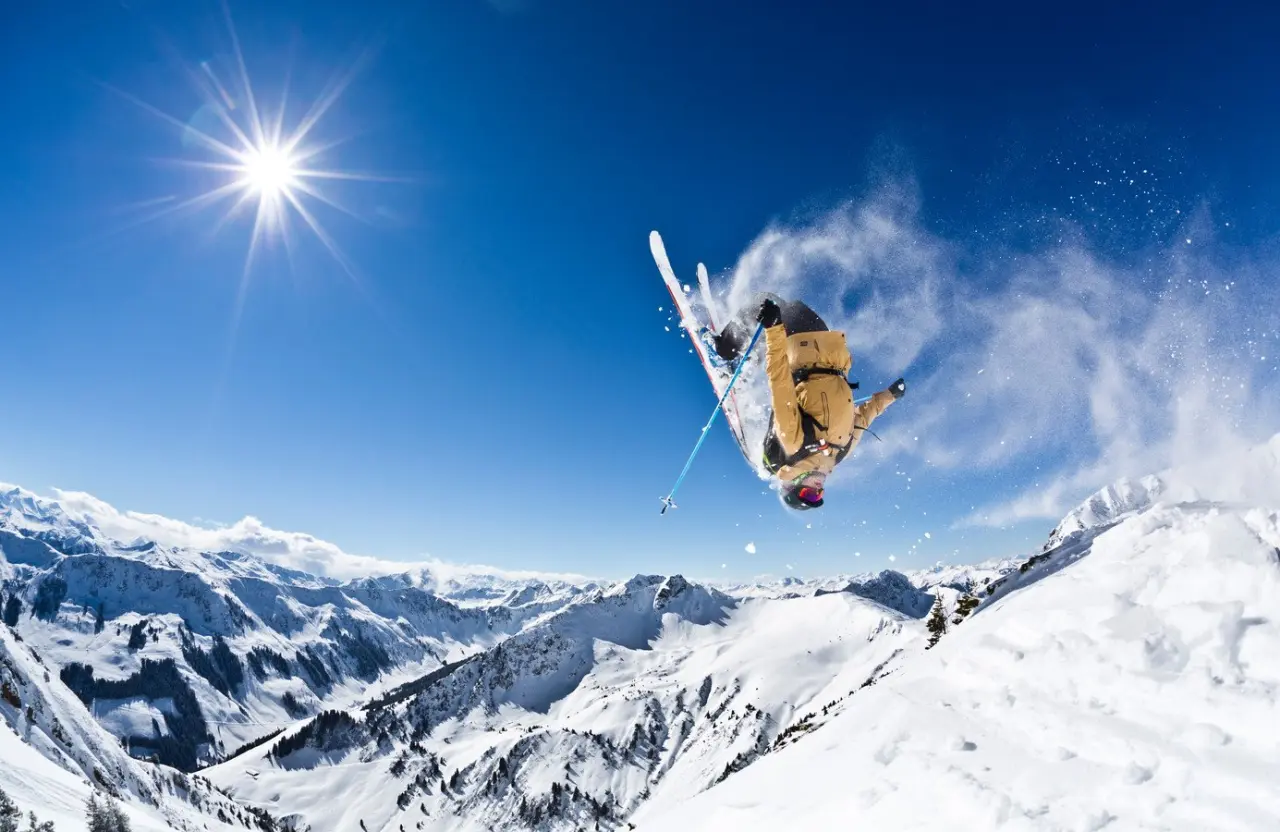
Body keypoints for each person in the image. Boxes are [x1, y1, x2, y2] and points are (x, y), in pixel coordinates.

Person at [711, 296, 905, 510]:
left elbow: (780, 383)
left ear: (792, 484)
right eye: (819, 495)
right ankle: (746, 360)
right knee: (783, 304)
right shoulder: (841, 454)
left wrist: (774, 329)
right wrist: (891, 395)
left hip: (803, 347)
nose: (818, 490)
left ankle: (723, 350)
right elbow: (866, 417)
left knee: (767, 301)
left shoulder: (794, 443)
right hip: (832, 351)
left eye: (808, 493)